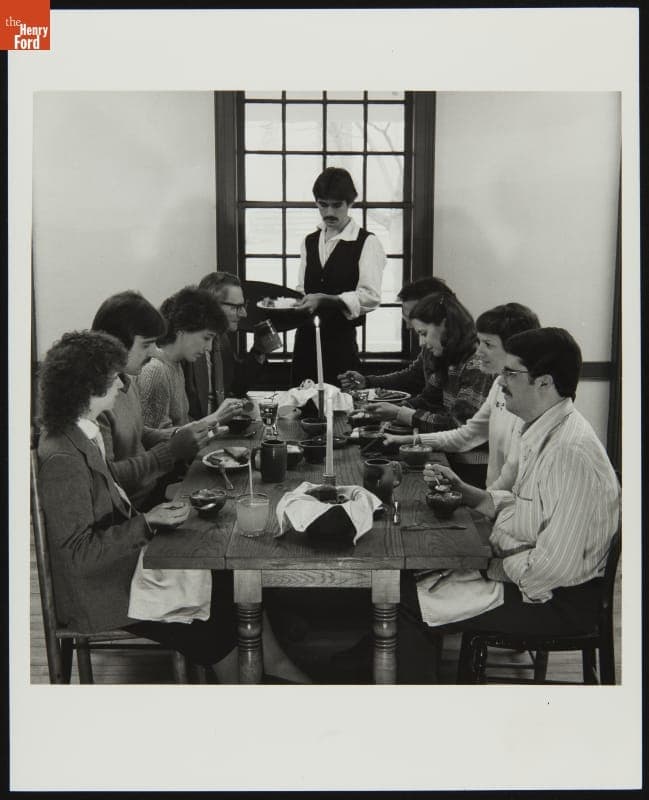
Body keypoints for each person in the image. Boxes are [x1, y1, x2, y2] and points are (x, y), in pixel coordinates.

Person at [36, 330, 310, 683]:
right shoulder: (62, 457)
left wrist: (152, 520)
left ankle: (273, 665)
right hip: (99, 595)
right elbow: (78, 556)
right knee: (212, 614)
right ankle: (248, 687)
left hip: (115, 572)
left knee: (224, 577)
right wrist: (146, 523)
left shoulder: (80, 435)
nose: (122, 383)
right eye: (114, 377)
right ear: (87, 387)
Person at [398, 328, 620, 682]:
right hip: (539, 583)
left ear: (544, 382)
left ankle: (402, 695)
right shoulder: (545, 428)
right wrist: (471, 494)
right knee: (413, 583)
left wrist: (494, 566)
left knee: (411, 600)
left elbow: (553, 569)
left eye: (510, 373)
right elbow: (525, 506)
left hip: (557, 602)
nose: (500, 382)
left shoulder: (569, 452)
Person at [383, 302, 541, 490]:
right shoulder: (499, 386)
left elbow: (513, 484)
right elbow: (467, 434)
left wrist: (474, 497)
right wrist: (408, 440)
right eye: (480, 342)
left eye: (488, 344)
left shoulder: (533, 405)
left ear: (516, 348)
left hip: (495, 498)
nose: (479, 352)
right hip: (491, 498)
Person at [91, 291, 209, 510]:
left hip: (150, 494)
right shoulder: (96, 402)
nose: (154, 353)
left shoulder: (125, 380)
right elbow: (108, 479)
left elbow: (137, 433)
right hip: (130, 509)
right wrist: (171, 450)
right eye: (146, 345)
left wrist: (177, 434)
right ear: (116, 343)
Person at [290, 166, 386, 386]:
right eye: (323, 204)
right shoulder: (309, 241)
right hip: (305, 343)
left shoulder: (367, 242)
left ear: (350, 203)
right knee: (301, 402)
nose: (329, 212)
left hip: (341, 344)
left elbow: (370, 297)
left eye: (336, 205)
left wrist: (326, 299)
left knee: (341, 404)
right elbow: (302, 289)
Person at [370, 292, 493, 432]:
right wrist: (391, 408)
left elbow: (458, 426)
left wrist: (399, 413)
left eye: (424, 333)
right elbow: (428, 400)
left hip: (475, 446)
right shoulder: (448, 356)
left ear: (445, 324)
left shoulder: (477, 364)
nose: (422, 343)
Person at [137, 286, 244, 430]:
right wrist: (216, 418)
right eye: (206, 338)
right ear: (183, 330)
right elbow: (155, 438)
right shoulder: (156, 370)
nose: (209, 348)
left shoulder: (176, 365)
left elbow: (181, 425)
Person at [338, 276, 456, 395]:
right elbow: (413, 378)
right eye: (406, 317)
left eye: (413, 316)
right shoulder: (432, 344)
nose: (409, 326)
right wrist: (367, 381)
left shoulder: (462, 357)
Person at [183, 272, 275, 420]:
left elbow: (237, 385)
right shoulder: (186, 346)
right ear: (212, 305)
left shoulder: (222, 338)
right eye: (236, 307)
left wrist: (259, 350)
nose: (244, 314)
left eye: (243, 306)